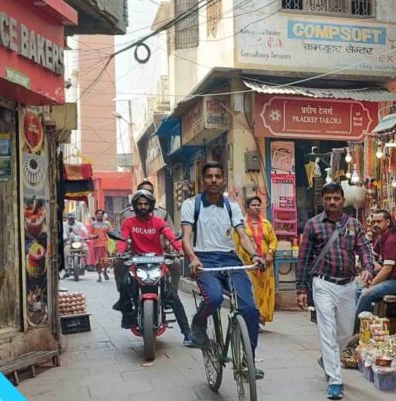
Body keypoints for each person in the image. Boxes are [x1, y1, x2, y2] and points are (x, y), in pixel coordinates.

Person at [181, 162, 266, 379]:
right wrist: (192, 258)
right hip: (204, 259)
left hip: (230, 258)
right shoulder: (191, 205)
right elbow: (186, 237)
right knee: (215, 298)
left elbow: (242, 234)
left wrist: (255, 254)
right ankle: (199, 322)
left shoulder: (232, 206)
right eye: (209, 176)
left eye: (218, 176)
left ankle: (248, 361)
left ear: (223, 180)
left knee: (250, 309)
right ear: (203, 179)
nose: (214, 180)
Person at [297, 182, 375, 401]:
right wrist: (301, 288)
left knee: (344, 333)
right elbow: (303, 259)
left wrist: (368, 268)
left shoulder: (354, 224)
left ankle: (327, 358)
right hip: (323, 285)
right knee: (327, 331)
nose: (332, 202)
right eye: (328, 198)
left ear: (343, 200)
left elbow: (365, 249)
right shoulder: (312, 225)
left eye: (336, 198)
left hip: (348, 285)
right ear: (323, 201)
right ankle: (335, 380)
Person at [114, 190, 193, 346]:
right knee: (124, 284)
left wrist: (179, 250)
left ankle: (187, 333)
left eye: (146, 204)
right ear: (135, 206)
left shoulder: (158, 222)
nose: (143, 207)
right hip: (138, 263)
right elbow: (123, 239)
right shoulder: (129, 222)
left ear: (151, 206)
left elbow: (170, 236)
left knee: (173, 297)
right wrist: (119, 251)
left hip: (158, 263)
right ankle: (128, 315)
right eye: (140, 204)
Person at [353, 210, 396, 332]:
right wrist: (373, 267)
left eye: (379, 221)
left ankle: (356, 331)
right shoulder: (381, 238)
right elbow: (371, 257)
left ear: (388, 222)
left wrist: (372, 283)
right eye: (373, 222)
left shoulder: (392, 240)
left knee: (365, 294)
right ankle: (364, 324)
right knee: (357, 289)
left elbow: (387, 269)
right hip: (389, 279)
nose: (375, 225)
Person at [235, 196, 278, 325]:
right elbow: (236, 245)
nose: (257, 207)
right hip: (248, 266)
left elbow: (273, 240)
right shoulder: (240, 225)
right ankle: (252, 318)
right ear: (247, 208)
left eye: (259, 205)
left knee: (265, 293)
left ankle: (260, 317)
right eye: (253, 205)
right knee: (252, 292)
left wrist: (270, 252)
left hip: (265, 266)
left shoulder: (266, 224)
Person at [90, 210, 112, 282]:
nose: (99, 215)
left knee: (106, 261)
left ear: (103, 215)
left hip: (105, 244)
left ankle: (105, 271)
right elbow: (89, 234)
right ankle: (99, 276)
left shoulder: (107, 224)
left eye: (101, 214)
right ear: (96, 215)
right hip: (96, 245)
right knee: (98, 262)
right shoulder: (93, 224)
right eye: (98, 214)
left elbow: (111, 232)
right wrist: (94, 236)